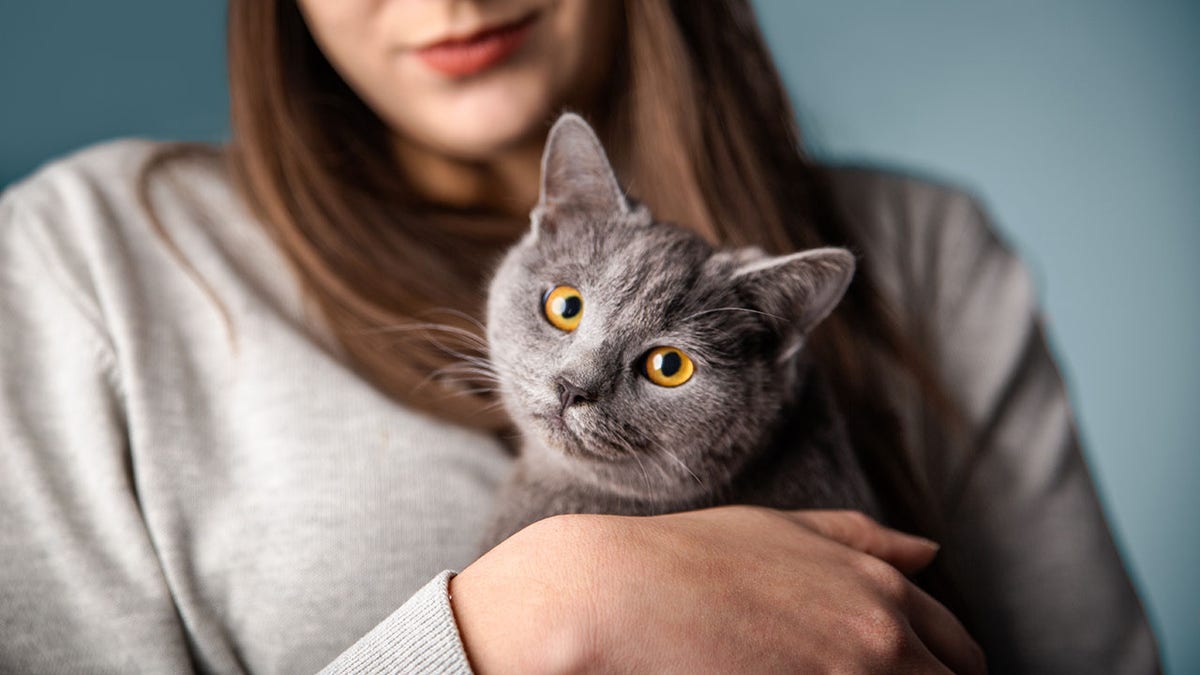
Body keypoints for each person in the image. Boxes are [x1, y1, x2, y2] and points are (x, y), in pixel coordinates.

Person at [0, 0, 1159, 672]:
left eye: (663, 366)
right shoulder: (92, 256)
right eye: (564, 311)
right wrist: (512, 630)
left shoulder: (924, 251)